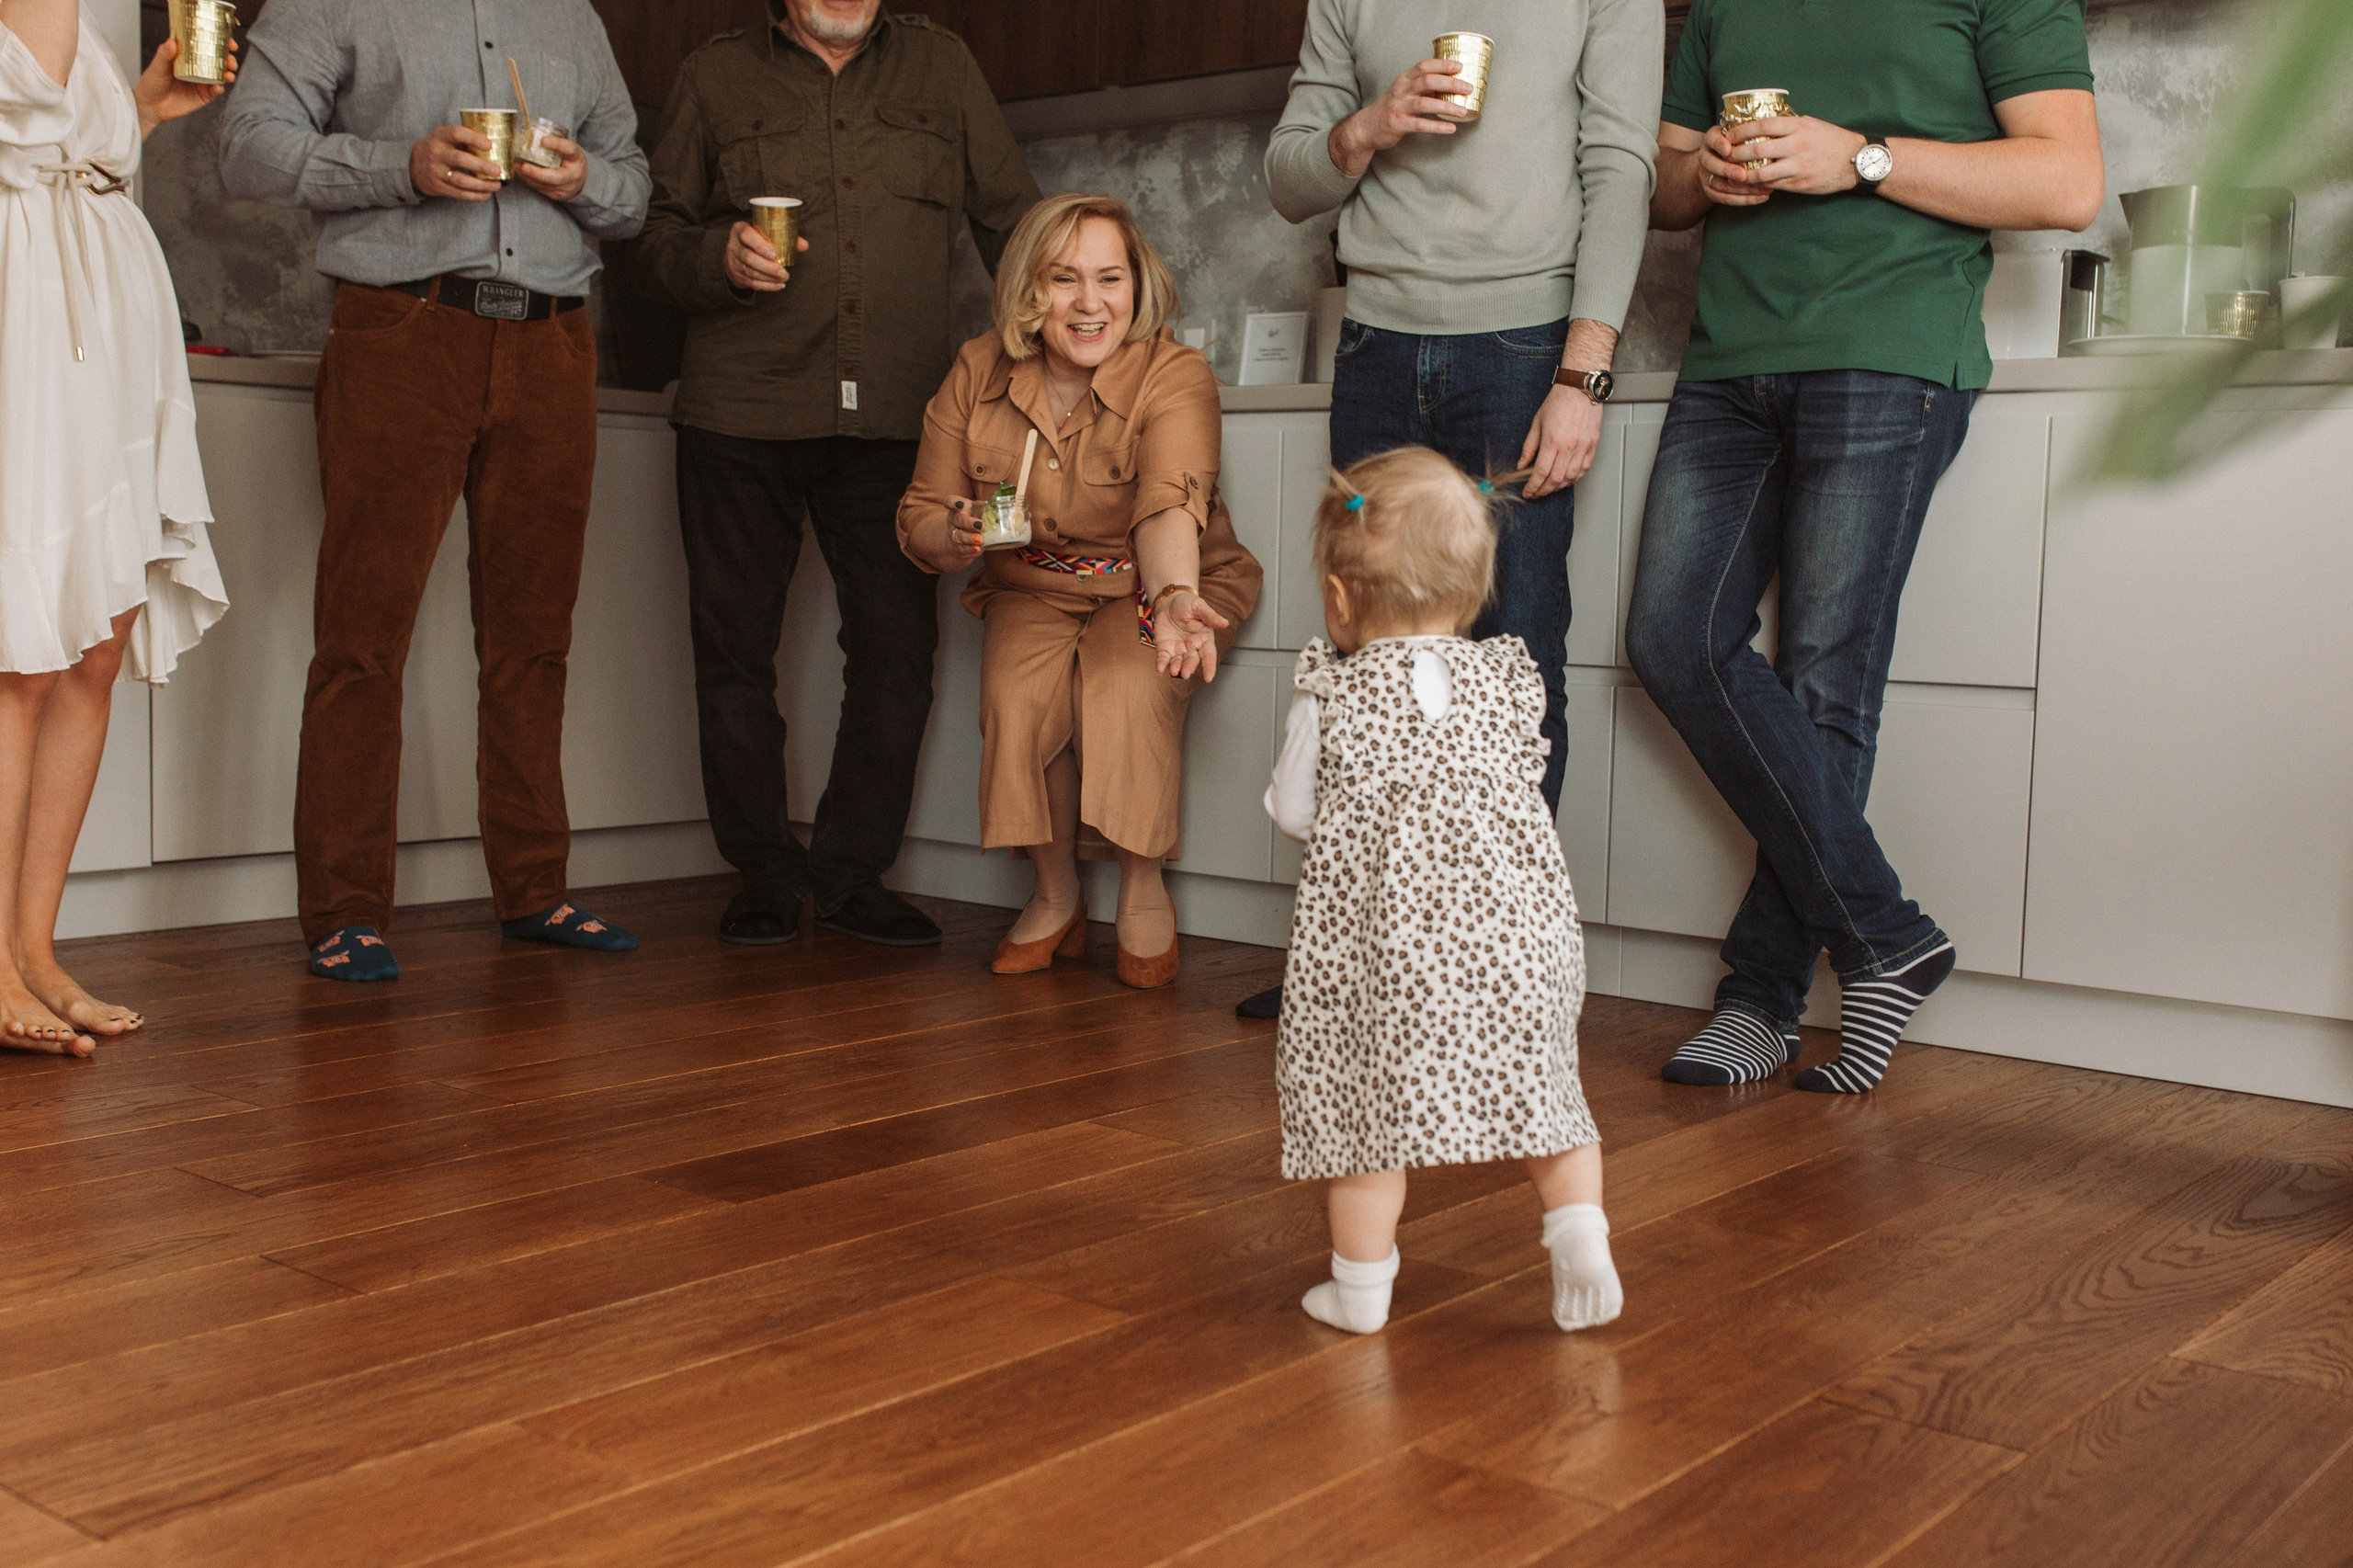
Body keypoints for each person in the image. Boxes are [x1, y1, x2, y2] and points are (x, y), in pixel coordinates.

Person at [1629, 0, 2103, 1091]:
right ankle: (1885, 935)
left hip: (1888, 350)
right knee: (1671, 639)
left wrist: (1864, 159)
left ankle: (1760, 996)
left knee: (1823, 681)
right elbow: (1657, 190)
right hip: (1727, 362)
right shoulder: (1720, 11)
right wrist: (1705, 172)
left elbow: (2065, 182)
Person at [1243, 0, 1663, 1018]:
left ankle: (1493, 969)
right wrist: (1369, 125)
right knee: (1368, 661)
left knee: (1509, 662)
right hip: (1374, 348)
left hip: (1523, 350)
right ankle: (1359, 957)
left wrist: (1585, 374)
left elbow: (1620, 168)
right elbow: (1290, 176)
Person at [220, 0, 652, 982]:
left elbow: (632, 191)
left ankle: (536, 888)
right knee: (363, 637)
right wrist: (399, 166)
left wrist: (587, 178)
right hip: (402, 335)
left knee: (534, 637)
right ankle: (344, 910)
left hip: (552, 343)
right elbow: (246, 147)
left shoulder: (571, 18)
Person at [633, 0, 1039, 949]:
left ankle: (853, 872)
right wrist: (713, 255)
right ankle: (765, 873)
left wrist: (1063, 349)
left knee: (897, 658)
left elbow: (1016, 225)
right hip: (740, 412)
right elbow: (649, 241)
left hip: (901, 418)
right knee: (734, 655)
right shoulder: (713, 74)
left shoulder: (944, 69)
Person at [1269, 448, 1619, 1335]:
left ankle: (1359, 1292)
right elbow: (1525, 780)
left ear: (1340, 600)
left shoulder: (1333, 690)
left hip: (1387, 953)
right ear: (1472, 590)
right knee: (1545, 1093)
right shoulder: (1507, 680)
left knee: (1363, 1113)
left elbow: (1295, 810)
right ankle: (1578, 1228)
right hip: (1522, 941)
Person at [898, 192, 1261, 989]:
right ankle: (1056, 894)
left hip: (1158, 580)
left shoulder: (1175, 373)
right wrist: (954, 531)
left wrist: (1171, 599)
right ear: (1030, 288)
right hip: (1032, 581)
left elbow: (1169, 503)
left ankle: (1140, 884)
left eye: (1111, 279)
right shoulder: (977, 368)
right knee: (1021, 698)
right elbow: (921, 514)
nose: (1090, 304)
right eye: (1065, 279)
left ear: (1138, 286)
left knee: (1128, 687)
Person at [1, 1, 232, 1055]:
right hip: (31, 314)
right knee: (23, 652)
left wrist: (141, 109)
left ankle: (34, 946)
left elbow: (55, 126)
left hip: (109, 319)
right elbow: (28, 97)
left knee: (95, 646)